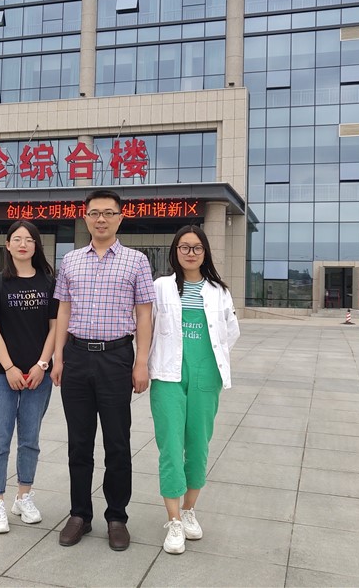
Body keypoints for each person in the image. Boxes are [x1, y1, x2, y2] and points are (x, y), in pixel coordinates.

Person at [51, 189, 155, 551]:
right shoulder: (70, 260)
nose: (101, 219)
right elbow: (63, 311)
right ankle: (79, 514)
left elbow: (145, 314)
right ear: (85, 218)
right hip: (77, 356)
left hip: (116, 358)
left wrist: (141, 362)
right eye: (95, 213)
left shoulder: (136, 261)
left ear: (120, 218)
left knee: (117, 442)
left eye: (109, 213)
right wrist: (58, 357)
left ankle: (116, 517)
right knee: (79, 443)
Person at [148, 225, 240, 554]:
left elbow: (230, 331)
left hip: (206, 374)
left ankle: (188, 510)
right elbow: (146, 326)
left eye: (197, 248)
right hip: (168, 375)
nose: (190, 253)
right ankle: (173, 520)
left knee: (198, 445)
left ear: (205, 253)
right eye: (184, 247)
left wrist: (210, 362)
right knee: (171, 447)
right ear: (175, 251)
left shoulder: (219, 291)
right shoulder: (161, 287)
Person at [0, 220, 58, 534]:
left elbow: (55, 327)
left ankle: (24, 496)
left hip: (38, 375)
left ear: (36, 246)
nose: (23, 244)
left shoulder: (49, 282)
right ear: (8, 245)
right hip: (2, 376)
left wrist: (42, 364)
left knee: (30, 440)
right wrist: (10, 368)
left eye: (29, 239)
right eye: (17, 239)